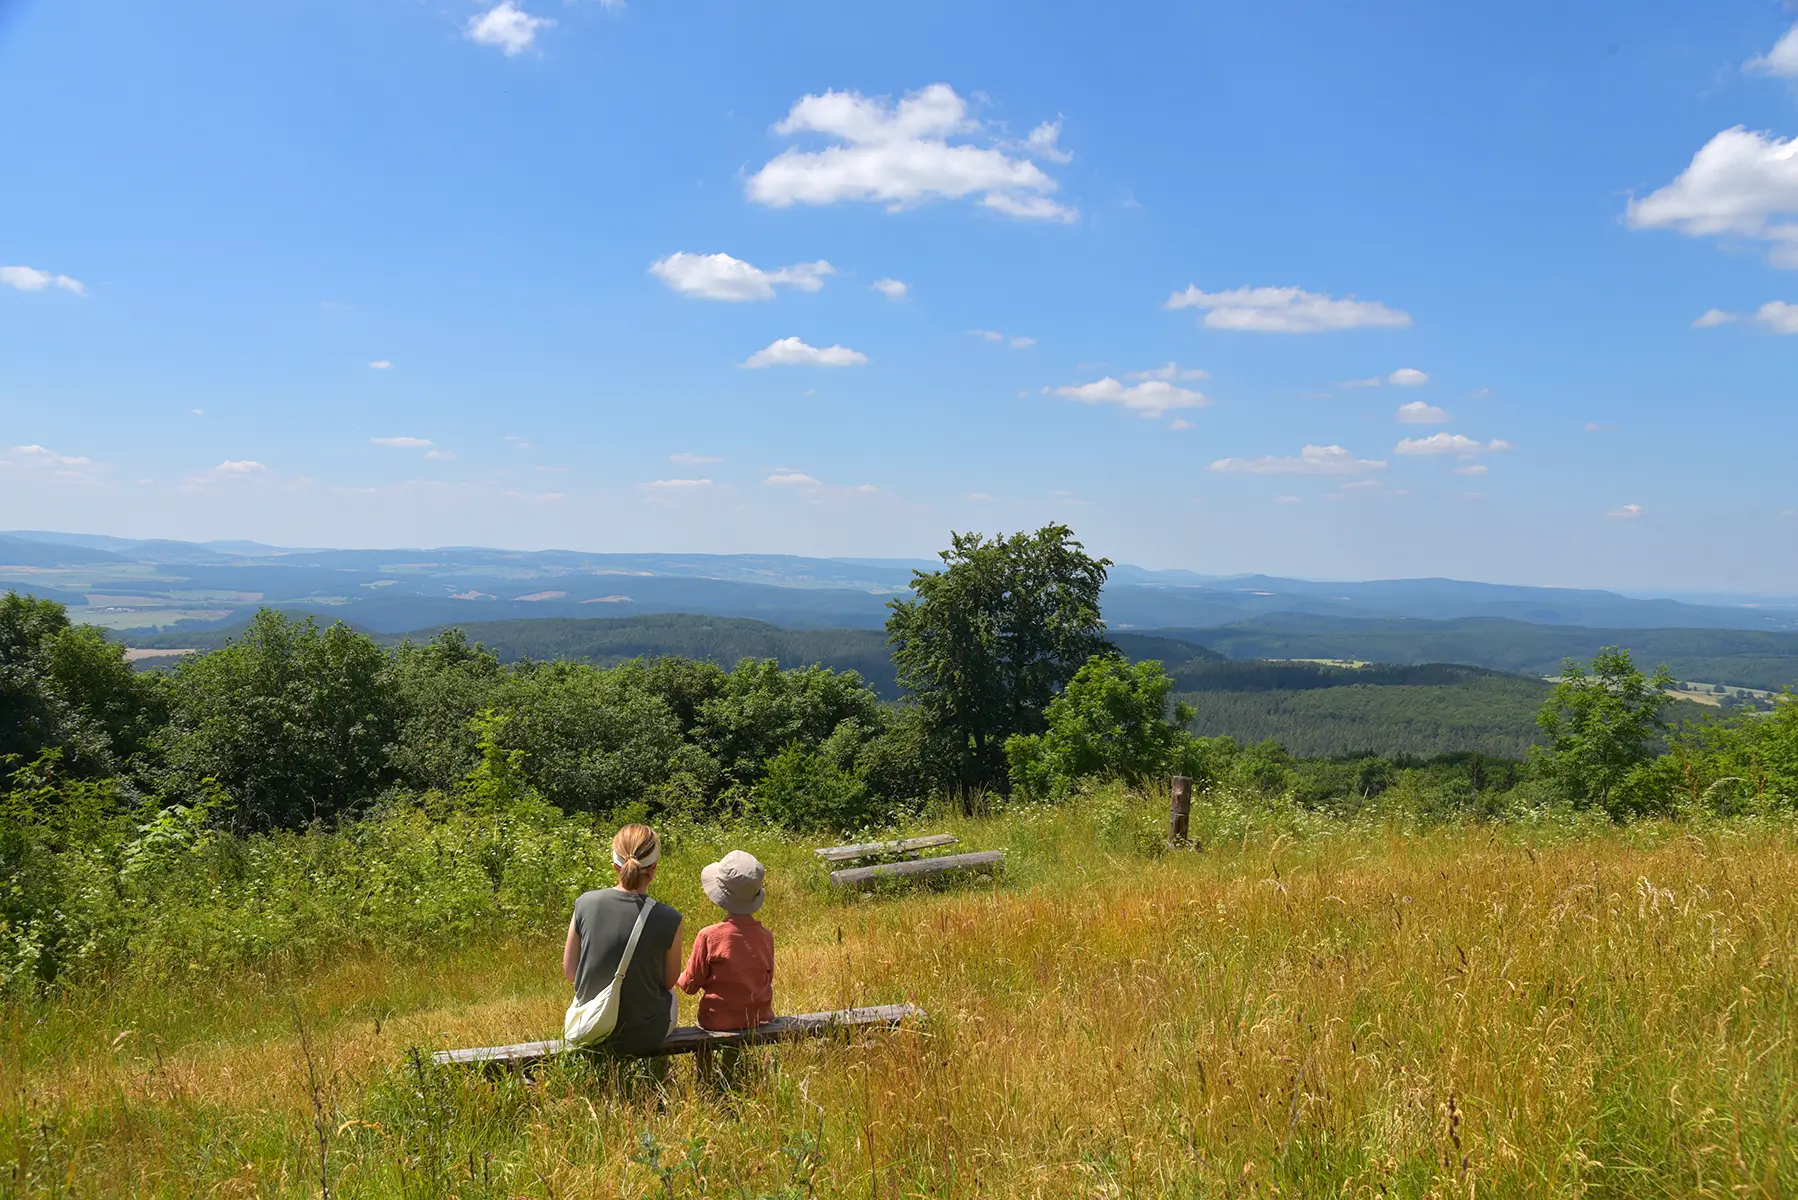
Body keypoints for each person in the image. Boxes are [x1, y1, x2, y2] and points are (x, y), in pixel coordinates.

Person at [562, 824, 684, 1056]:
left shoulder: (584, 903)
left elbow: (571, 972)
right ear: (654, 868)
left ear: (615, 865)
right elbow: (669, 981)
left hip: (592, 1030)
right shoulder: (671, 918)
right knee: (670, 994)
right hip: (647, 1035)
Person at [677, 850, 774, 1032]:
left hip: (717, 1021)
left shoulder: (708, 936)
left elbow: (690, 986)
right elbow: (767, 979)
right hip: (758, 1020)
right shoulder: (766, 937)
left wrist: (672, 974)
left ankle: (705, 1062)